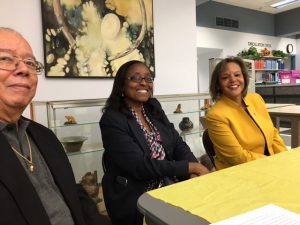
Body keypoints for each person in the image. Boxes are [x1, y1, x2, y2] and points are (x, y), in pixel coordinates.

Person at [0, 27, 111, 225]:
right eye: (6, 59)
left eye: (30, 63)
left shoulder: (43, 135)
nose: (24, 69)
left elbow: (74, 194)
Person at [100, 60, 210, 225]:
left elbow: (177, 143)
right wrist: (190, 167)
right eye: (135, 77)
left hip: (170, 181)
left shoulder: (153, 107)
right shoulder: (112, 119)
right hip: (137, 192)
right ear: (122, 85)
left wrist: (193, 169)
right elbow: (139, 166)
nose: (144, 82)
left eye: (148, 78)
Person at [206, 57, 287, 170]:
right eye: (225, 77)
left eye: (237, 75)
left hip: (271, 165)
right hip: (240, 172)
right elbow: (237, 157)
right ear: (218, 84)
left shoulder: (256, 99)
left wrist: (285, 157)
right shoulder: (215, 115)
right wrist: (271, 163)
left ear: (244, 77)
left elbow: (273, 134)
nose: (233, 80)